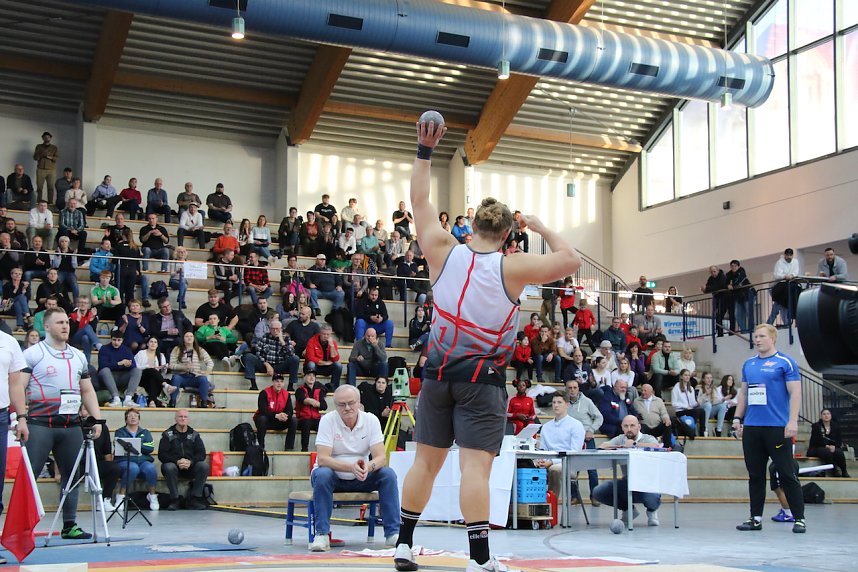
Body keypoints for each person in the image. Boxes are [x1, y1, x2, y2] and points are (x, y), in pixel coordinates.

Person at [395, 121, 580, 572]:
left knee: (425, 464)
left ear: (472, 224)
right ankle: (479, 560)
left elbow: (419, 201)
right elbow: (571, 260)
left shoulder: (441, 248)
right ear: (507, 235)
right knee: (475, 469)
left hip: (437, 372)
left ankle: (402, 545)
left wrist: (425, 149)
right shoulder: (512, 267)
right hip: (482, 380)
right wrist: (540, 225)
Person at [11, 307, 104, 539]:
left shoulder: (78, 355)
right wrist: (21, 417)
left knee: (71, 475)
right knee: (30, 476)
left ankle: (69, 525)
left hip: (70, 425)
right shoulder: (33, 354)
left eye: (67, 322)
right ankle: (22, 528)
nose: (65, 326)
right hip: (40, 424)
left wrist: (97, 419)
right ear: (48, 327)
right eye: (60, 322)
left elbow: (87, 390)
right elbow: (18, 387)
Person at [308, 385, 400, 551]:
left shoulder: (371, 420)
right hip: (333, 478)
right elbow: (322, 459)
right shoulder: (328, 420)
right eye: (341, 404)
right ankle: (321, 534)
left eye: (351, 403)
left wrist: (369, 467)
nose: (347, 408)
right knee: (322, 474)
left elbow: (381, 457)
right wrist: (349, 467)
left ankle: (393, 534)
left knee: (388, 474)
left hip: (362, 476)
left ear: (359, 403)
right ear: (335, 405)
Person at [733, 324, 805, 533]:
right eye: (755, 336)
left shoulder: (785, 363)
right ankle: (755, 518)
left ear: (772, 338)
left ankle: (799, 518)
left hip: (777, 427)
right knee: (755, 475)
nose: (757, 339)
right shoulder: (749, 364)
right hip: (753, 428)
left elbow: (796, 394)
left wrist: (792, 422)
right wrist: (738, 418)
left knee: (786, 474)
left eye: (762, 336)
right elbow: (744, 394)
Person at [592, 415, 661, 526]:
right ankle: (628, 509)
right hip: (627, 482)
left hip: (647, 482)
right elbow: (604, 445)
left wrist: (635, 444)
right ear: (622, 427)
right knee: (598, 491)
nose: (629, 429)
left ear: (638, 427)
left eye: (632, 426)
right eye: (626, 426)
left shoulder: (647, 438)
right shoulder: (621, 438)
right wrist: (614, 446)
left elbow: (656, 446)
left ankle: (652, 511)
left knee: (652, 496)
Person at [533, 391, 585, 499]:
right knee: (526, 466)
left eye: (559, 402)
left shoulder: (576, 425)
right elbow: (543, 449)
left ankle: (552, 504)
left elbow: (574, 452)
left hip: (569, 463)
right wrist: (540, 460)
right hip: (548, 460)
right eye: (554, 402)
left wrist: (551, 462)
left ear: (567, 405)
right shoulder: (546, 427)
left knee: (554, 470)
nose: (556, 405)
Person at [157, 409, 210, 510]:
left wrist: (191, 462)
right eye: (180, 416)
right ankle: (175, 499)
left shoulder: (194, 435)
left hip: (190, 467)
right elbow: (162, 454)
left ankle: (195, 498)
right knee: (168, 466)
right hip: (173, 468)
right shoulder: (167, 434)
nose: (183, 419)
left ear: (188, 420)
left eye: (185, 417)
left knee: (204, 466)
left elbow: (201, 453)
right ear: (175, 419)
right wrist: (177, 461)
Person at [114, 408, 159, 510]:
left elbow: (150, 448)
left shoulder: (145, 432)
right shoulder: (120, 432)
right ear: (126, 420)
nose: (133, 417)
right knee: (133, 468)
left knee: (151, 468)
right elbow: (119, 447)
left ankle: (152, 495)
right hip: (124, 460)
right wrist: (139, 447)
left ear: (139, 419)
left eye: (135, 416)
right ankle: (121, 496)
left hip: (143, 460)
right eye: (130, 416)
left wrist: (135, 445)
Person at [243, 319, 300, 390]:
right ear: (270, 329)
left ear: (281, 329)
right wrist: (266, 364)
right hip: (266, 364)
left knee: (295, 359)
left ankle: (290, 386)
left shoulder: (286, 338)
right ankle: (253, 385)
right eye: (273, 329)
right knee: (249, 357)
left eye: (277, 329)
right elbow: (258, 353)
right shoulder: (264, 337)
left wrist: (282, 342)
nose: (275, 331)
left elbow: (291, 354)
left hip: (280, 365)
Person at [98, 328, 143, 408]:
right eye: (114, 340)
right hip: (108, 377)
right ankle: (116, 399)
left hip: (122, 377)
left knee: (137, 370)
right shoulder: (104, 349)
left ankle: (128, 399)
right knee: (105, 370)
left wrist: (128, 364)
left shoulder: (126, 349)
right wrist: (119, 363)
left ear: (122, 340)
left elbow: (133, 365)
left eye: (119, 340)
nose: (116, 342)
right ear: (111, 339)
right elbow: (102, 365)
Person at [169, 331, 214, 408]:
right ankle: (172, 401)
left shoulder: (200, 350)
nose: (189, 338)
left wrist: (206, 372)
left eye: (191, 336)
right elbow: (171, 365)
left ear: (194, 339)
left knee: (203, 379)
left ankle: (204, 401)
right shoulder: (177, 349)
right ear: (183, 339)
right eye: (187, 336)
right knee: (175, 378)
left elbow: (210, 362)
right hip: (182, 376)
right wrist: (184, 366)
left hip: (195, 376)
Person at [254, 373, 296, 450]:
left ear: (283, 383)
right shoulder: (264, 393)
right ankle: (261, 447)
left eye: (281, 381)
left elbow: (290, 410)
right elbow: (263, 410)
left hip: (279, 421)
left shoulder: (287, 394)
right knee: (262, 419)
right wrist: (276, 415)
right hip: (267, 421)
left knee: (293, 420)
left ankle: (289, 448)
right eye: (277, 381)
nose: (279, 383)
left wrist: (285, 415)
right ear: (272, 382)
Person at [806, 409, 850, 478]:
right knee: (825, 451)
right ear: (821, 416)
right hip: (817, 447)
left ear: (831, 416)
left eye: (828, 414)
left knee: (839, 452)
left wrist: (834, 446)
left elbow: (839, 440)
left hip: (832, 447)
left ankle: (844, 471)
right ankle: (834, 470)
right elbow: (815, 440)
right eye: (824, 414)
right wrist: (826, 446)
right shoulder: (816, 426)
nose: (826, 416)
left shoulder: (836, 426)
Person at [294, 370, 328, 452]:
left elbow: (324, 406)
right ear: (304, 377)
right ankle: (304, 449)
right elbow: (302, 399)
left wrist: (313, 402)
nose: (312, 377)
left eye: (313, 376)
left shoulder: (319, 391)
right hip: (303, 418)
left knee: (325, 424)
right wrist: (313, 402)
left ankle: (325, 450)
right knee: (306, 422)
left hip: (315, 418)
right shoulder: (300, 390)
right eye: (309, 375)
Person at [134, 336, 171, 408]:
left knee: (154, 380)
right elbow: (135, 367)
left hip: (154, 378)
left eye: (155, 342)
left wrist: (165, 367)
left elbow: (162, 373)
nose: (153, 344)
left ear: (157, 345)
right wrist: (147, 366)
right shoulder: (141, 353)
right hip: (142, 377)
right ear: (147, 344)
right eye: (151, 342)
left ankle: (152, 401)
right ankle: (165, 386)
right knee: (151, 370)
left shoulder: (160, 355)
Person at [305, 324, 342, 389]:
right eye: (324, 334)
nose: (326, 336)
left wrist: (332, 346)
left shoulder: (332, 343)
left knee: (338, 365)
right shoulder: (312, 341)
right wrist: (325, 363)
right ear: (320, 333)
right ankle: (311, 387)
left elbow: (335, 359)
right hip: (315, 366)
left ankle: (334, 387)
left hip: (327, 368)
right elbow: (310, 358)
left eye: (328, 334)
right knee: (311, 364)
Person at [672, 369, 705, 438]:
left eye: (689, 375)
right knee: (695, 412)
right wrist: (685, 406)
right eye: (685, 375)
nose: (687, 377)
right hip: (680, 411)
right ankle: (691, 431)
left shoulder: (691, 388)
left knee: (702, 411)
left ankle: (702, 432)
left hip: (689, 410)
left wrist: (698, 403)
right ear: (681, 377)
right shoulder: (676, 387)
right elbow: (674, 403)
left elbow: (692, 403)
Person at [725, 259, 754, 334]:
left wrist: (733, 286)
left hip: (748, 295)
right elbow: (725, 282)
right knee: (737, 315)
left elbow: (740, 280)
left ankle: (751, 330)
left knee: (749, 313)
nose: (733, 267)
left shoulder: (742, 272)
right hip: (738, 298)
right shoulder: (729, 275)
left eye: (735, 266)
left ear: (738, 266)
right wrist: (727, 285)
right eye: (732, 266)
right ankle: (744, 331)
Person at [2, 267, 32, 332]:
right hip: (9, 308)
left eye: (19, 274)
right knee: (19, 298)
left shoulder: (24, 285)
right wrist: (15, 290)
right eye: (15, 273)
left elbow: (27, 300)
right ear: (11, 275)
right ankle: (28, 317)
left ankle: (20, 326)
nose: (18, 275)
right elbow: (8, 301)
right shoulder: (7, 285)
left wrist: (24, 290)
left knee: (17, 303)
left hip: (21, 308)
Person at [697, 372, 727, 437]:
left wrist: (723, 399)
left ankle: (718, 429)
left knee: (723, 406)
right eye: (707, 378)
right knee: (708, 405)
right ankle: (705, 429)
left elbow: (714, 401)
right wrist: (706, 394)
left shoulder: (713, 388)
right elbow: (698, 402)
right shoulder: (699, 388)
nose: (709, 380)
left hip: (709, 409)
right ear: (703, 379)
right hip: (700, 410)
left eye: (710, 378)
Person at [33, 131, 59, 204]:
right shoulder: (39, 146)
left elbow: (56, 158)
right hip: (40, 169)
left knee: (51, 187)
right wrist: (41, 155)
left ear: (50, 138)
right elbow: (35, 157)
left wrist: (49, 157)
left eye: (48, 137)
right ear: (42, 138)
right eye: (45, 137)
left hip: (51, 169)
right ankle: (38, 202)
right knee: (39, 187)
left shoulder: (54, 148)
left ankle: (50, 203)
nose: (46, 138)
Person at [168, 246, 190, 310]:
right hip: (174, 281)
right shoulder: (173, 262)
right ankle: (182, 300)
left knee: (184, 283)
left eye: (183, 252)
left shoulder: (187, 263)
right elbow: (171, 275)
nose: (182, 253)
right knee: (184, 283)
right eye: (180, 252)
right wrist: (177, 272)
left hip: (183, 281)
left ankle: (180, 298)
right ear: (177, 253)